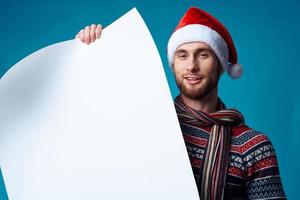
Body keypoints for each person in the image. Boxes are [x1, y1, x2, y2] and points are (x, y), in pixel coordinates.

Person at [75, 7, 286, 200]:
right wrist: (92, 51)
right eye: (182, 55)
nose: (191, 66)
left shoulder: (254, 146)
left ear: (220, 65)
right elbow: (92, 140)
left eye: (203, 55)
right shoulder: (144, 126)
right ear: (173, 65)